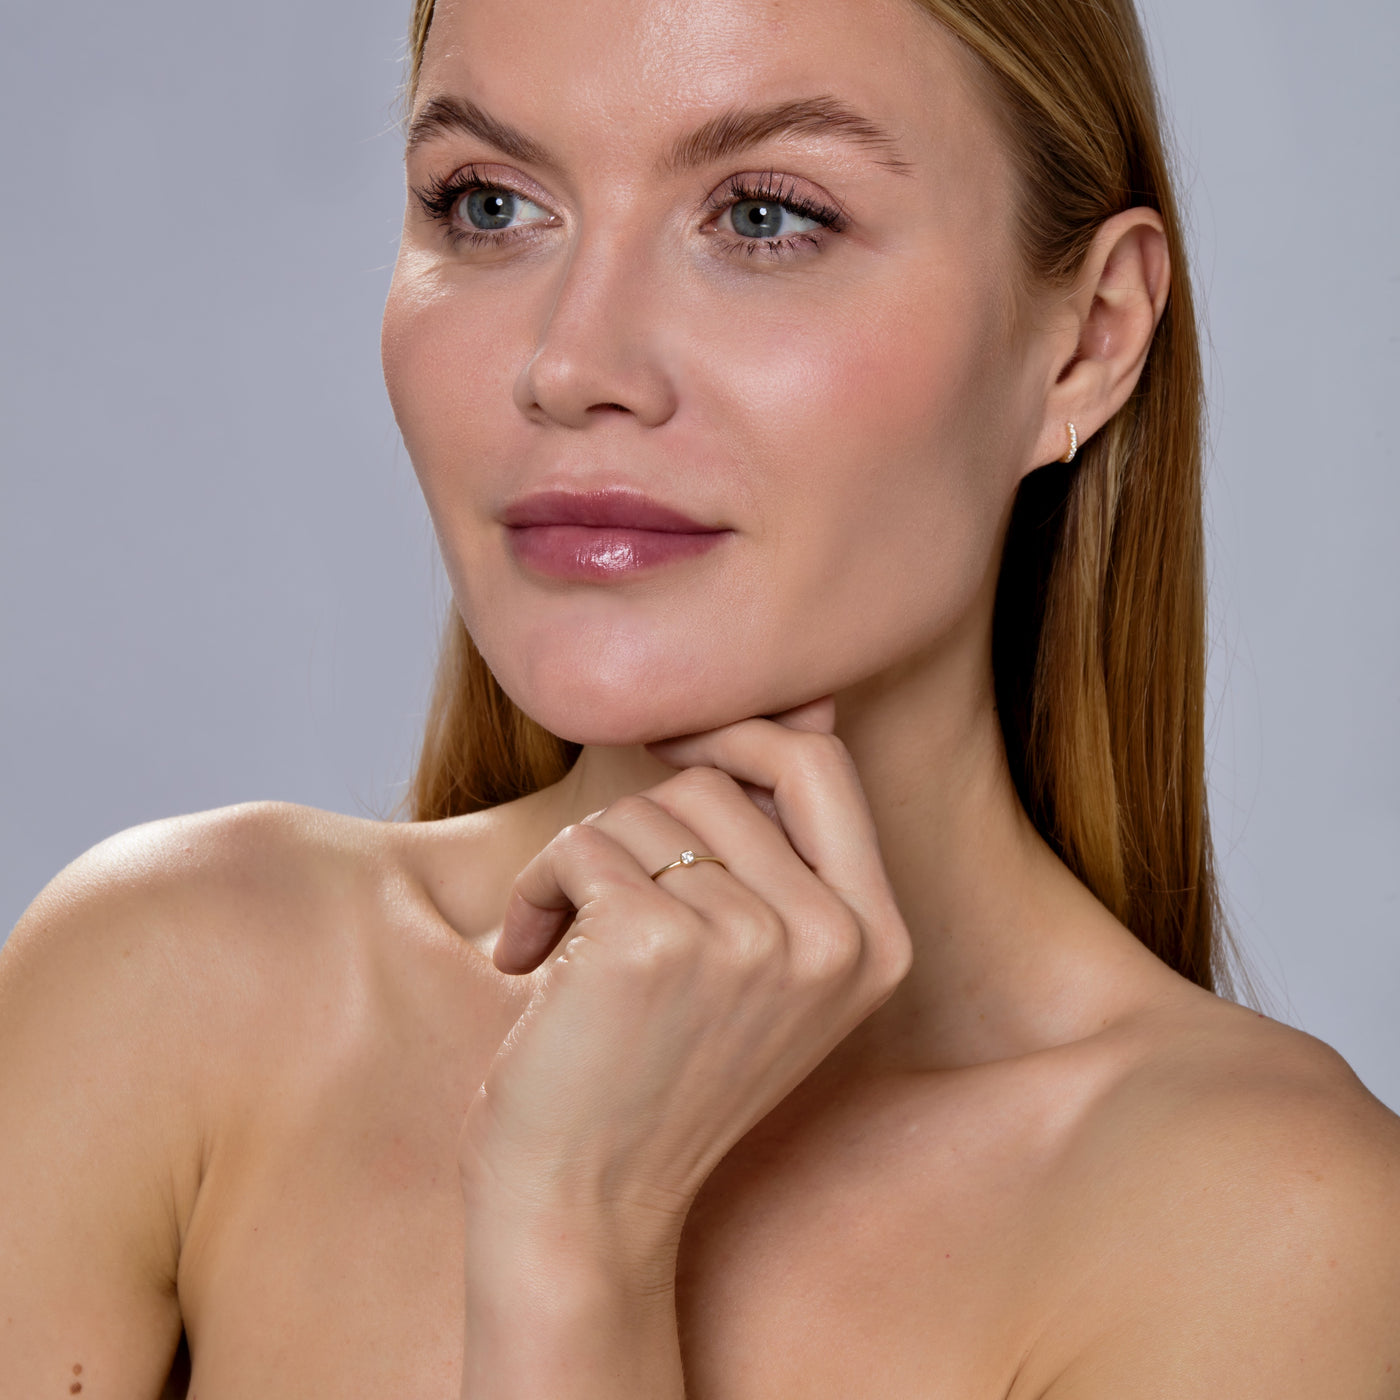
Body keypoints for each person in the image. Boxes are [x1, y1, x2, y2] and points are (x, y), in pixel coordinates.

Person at [3, 0, 1398, 1394]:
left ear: (1089, 338)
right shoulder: (165, 993)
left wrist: (576, 1231)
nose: (571, 366)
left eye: (766, 218)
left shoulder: (1273, 1225)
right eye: (489, 204)